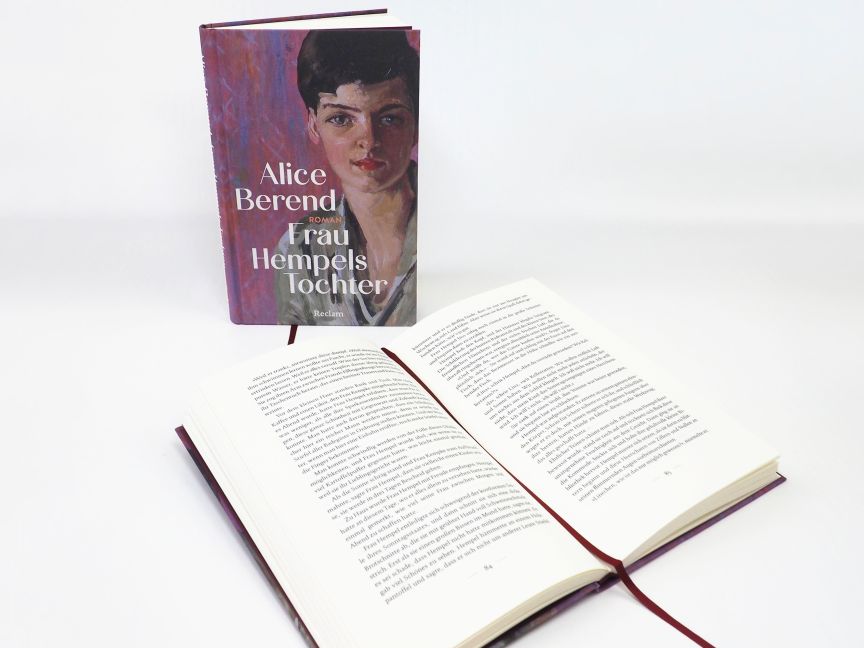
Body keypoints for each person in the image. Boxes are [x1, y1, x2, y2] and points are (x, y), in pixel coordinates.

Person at [275, 30, 419, 325]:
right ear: (313, 125)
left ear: (416, 125)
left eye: (390, 118)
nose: (369, 140)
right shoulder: (300, 248)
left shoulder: (449, 227)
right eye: (341, 119)